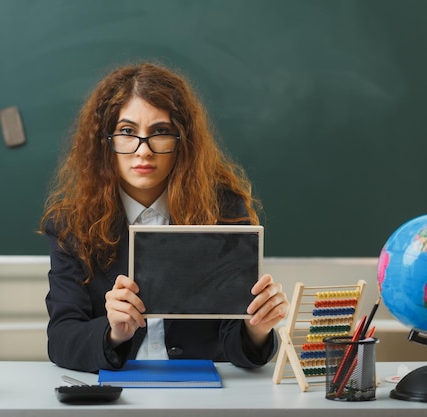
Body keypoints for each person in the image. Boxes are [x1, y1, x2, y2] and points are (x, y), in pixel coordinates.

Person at [40, 62, 289, 373]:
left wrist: (257, 327)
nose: (143, 151)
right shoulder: (71, 225)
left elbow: (235, 341)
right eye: (127, 132)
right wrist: (114, 332)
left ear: (182, 142)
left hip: (206, 399)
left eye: (160, 132)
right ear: (105, 142)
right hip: (114, 395)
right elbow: (61, 338)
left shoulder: (224, 212)